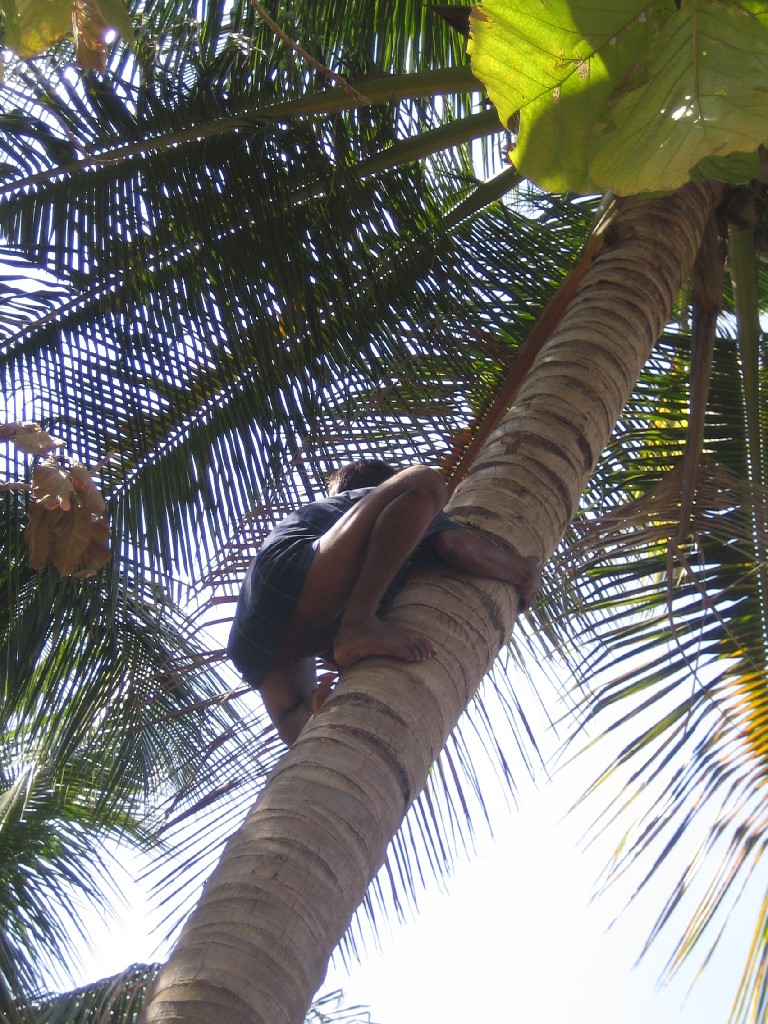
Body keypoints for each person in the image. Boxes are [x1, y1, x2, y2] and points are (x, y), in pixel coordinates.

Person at [228, 460, 540, 746]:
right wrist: (523, 570)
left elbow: (288, 727)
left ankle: (320, 690)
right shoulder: (389, 503)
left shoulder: (356, 546)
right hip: (292, 572)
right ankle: (358, 625)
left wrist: (314, 705)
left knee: (292, 716)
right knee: (426, 480)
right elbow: (454, 546)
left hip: (255, 633)